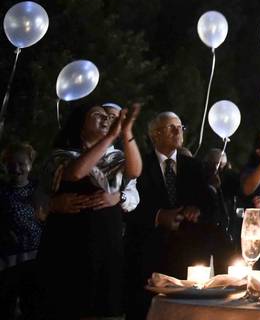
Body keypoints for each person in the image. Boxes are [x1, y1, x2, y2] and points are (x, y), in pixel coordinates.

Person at [37, 102, 141, 320]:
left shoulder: (115, 158)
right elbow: (77, 173)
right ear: (80, 125)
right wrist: (109, 138)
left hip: (107, 242)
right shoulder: (62, 154)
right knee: (68, 307)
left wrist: (127, 131)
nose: (105, 119)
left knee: (104, 309)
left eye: (108, 116)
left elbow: (135, 171)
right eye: (97, 115)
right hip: (69, 243)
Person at [124, 111, 227, 320]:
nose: (178, 131)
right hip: (148, 256)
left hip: (188, 258)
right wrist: (158, 215)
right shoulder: (139, 165)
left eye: (180, 127)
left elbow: (213, 206)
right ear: (155, 134)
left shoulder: (195, 166)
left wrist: (197, 211)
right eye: (171, 127)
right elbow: (127, 205)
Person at [0, 142, 41, 320]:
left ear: (30, 165)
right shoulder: (2, 192)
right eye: (11, 164)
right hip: (8, 260)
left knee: (32, 306)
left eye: (21, 164)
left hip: (36, 257)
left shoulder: (39, 188)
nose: (16, 169)